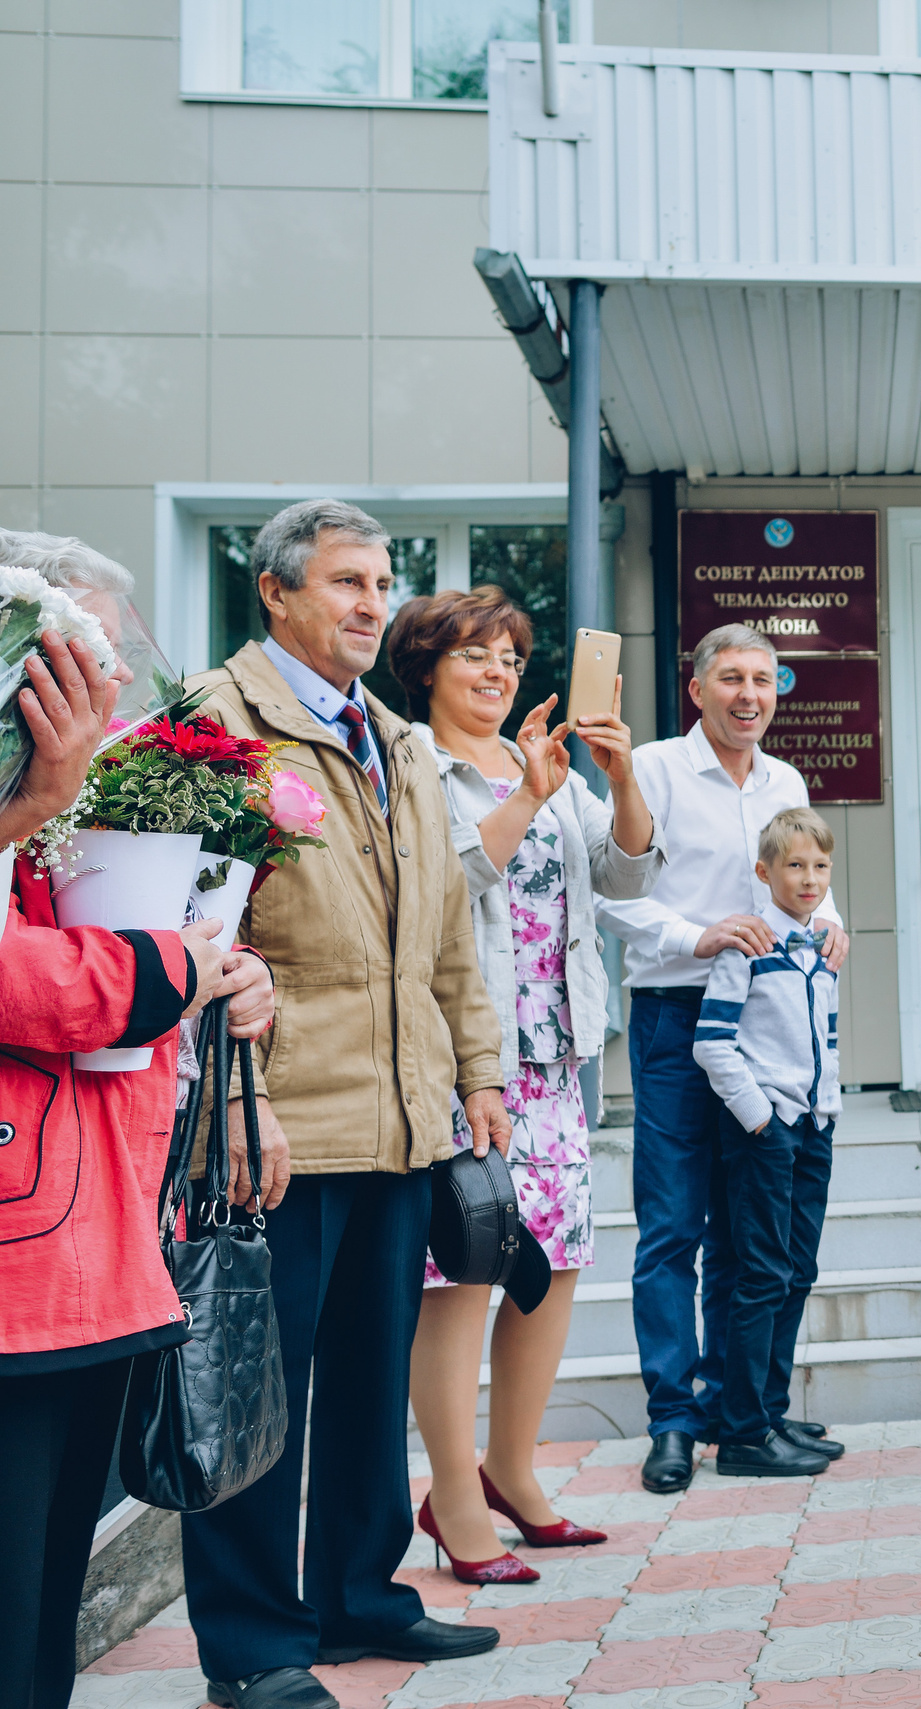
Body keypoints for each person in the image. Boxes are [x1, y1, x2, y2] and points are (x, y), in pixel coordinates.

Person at [182, 500, 509, 1709]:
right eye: (345, 582)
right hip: (275, 1126)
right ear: (275, 593)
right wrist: (232, 1101)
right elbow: (188, 937)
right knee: (260, 1391)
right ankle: (254, 1640)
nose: (373, 603)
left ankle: (359, 1598)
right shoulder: (212, 731)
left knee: (372, 1376)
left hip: (403, 1117)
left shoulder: (395, 739)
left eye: (383, 581)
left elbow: (449, 942)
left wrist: (477, 1070)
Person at [0, 538, 275, 1709]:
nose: (109, 705)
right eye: (78, 670)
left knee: (46, 1595)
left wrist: (230, 977)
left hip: (101, 1244)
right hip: (25, 1260)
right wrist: (169, 965)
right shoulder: (33, 808)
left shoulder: (65, 814)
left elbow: (126, 956)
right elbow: (39, 977)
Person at [387, 587, 663, 1582]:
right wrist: (529, 797)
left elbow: (627, 876)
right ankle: (454, 1492)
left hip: (557, 1056)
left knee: (555, 1264)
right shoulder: (410, 762)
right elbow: (440, 892)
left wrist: (618, 776)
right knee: (463, 1267)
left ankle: (512, 1466)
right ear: (425, 668)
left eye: (509, 655)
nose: (499, 672)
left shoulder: (537, 763)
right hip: (469, 1061)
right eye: (474, 654)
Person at [597, 625, 849, 1494]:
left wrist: (833, 920)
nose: (750, 694)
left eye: (763, 680)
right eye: (731, 678)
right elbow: (611, 890)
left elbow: (799, 868)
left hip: (769, 1029)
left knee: (753, 1232)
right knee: (673, 1226)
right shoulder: (655, 768)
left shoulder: (784, 779)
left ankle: (744, 1405)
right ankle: (674, 1420)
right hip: (675, 1013)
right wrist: (693, 934)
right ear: (696, 687)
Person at [692, 806, 842, 1477]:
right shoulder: (750, 947)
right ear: (765, 872)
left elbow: (826, 1040)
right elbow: (713, 1046)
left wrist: (828, 1108)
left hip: (813, 1126)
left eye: (819, 866)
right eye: (794, 865)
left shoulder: (822, 948)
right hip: (764, 1130)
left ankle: (771, 1411)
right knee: (761, 1274)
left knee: (798, 1270)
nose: (808, 878)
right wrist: (761, 1120)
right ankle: (744, 1431)